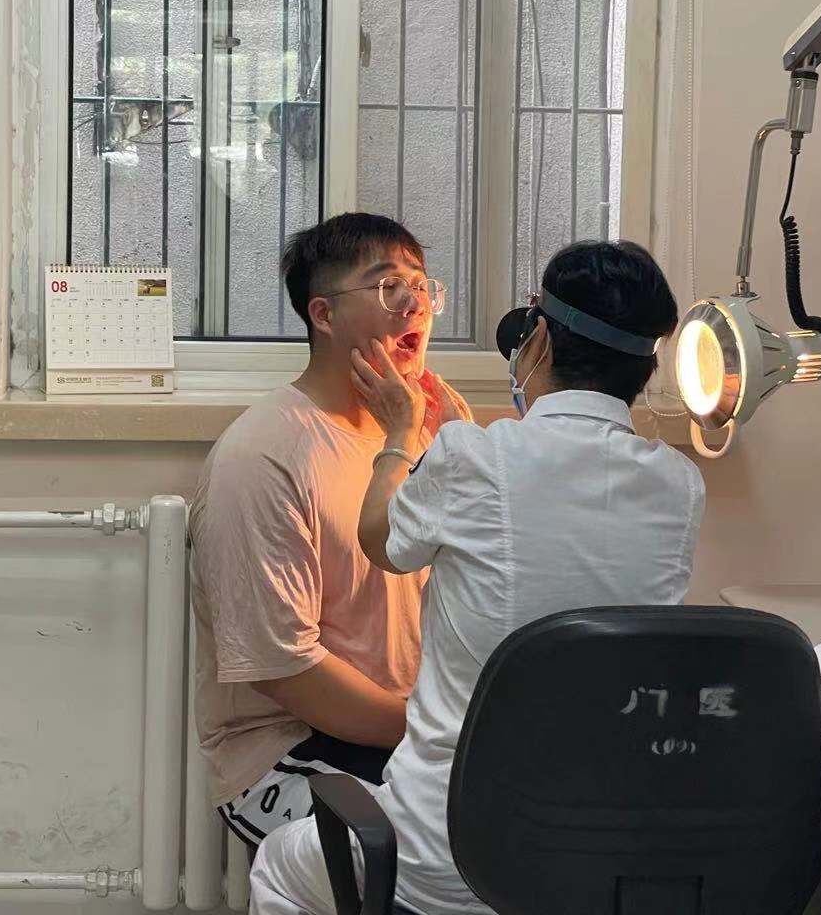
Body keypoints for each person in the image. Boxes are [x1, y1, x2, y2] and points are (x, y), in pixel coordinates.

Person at [249, 240, 705, 915]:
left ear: (537, 340)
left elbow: (381, 541)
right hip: (598, 857)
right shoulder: (679, 485)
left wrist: (399, 435)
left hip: (451, 852)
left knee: (280, 864)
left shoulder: (472, 456)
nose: (413, 308)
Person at [190, 212, 471, 847]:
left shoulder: (429, 424)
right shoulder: (264, 453)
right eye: (388, 286)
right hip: (289, 750)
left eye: (421, 287)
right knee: (451, 849)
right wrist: (438, 730)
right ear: (324, 314)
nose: (413, 306)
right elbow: (286, 671)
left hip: (413, 728)